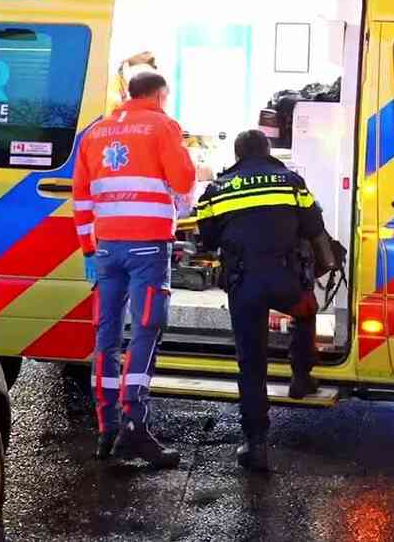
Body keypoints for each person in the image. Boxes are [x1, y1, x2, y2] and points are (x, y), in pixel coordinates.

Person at [72, 69, 196, 467]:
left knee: (106, 335)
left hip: (106, 248)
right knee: (145, 330)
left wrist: (90, 248)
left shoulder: (95, 132)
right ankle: (135, 427)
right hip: (147, 247)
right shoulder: (162, 125)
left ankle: (106, 427)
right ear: (160, 95)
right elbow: (184, 179)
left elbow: (82, 197)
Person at [194, 129, 328, 472]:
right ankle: (301, 376)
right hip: (286, 282)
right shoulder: (292, 182)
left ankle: (256, 445)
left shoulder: (217, 189)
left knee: (251, 363)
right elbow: (314, 226)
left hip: (245, 284)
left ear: (238, 155)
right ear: (268, 150)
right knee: (306, 310)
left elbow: (206, 240)